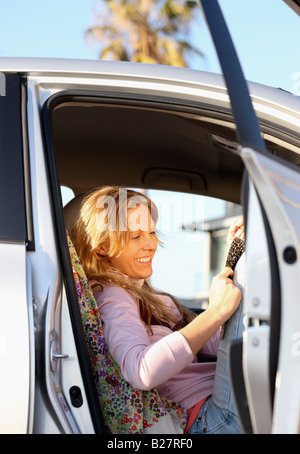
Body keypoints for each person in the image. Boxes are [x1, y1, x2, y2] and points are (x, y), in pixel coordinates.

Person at [72, 186, 245, 434]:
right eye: (136, 236)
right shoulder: (111, 295)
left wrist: (233, 258)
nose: (151, 244)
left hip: (216, 399)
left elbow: (213, 345)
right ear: (102, 247)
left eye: (151, 232)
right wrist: (215, 312)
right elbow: (141, 371)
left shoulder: (147, 295)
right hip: (207, 418)